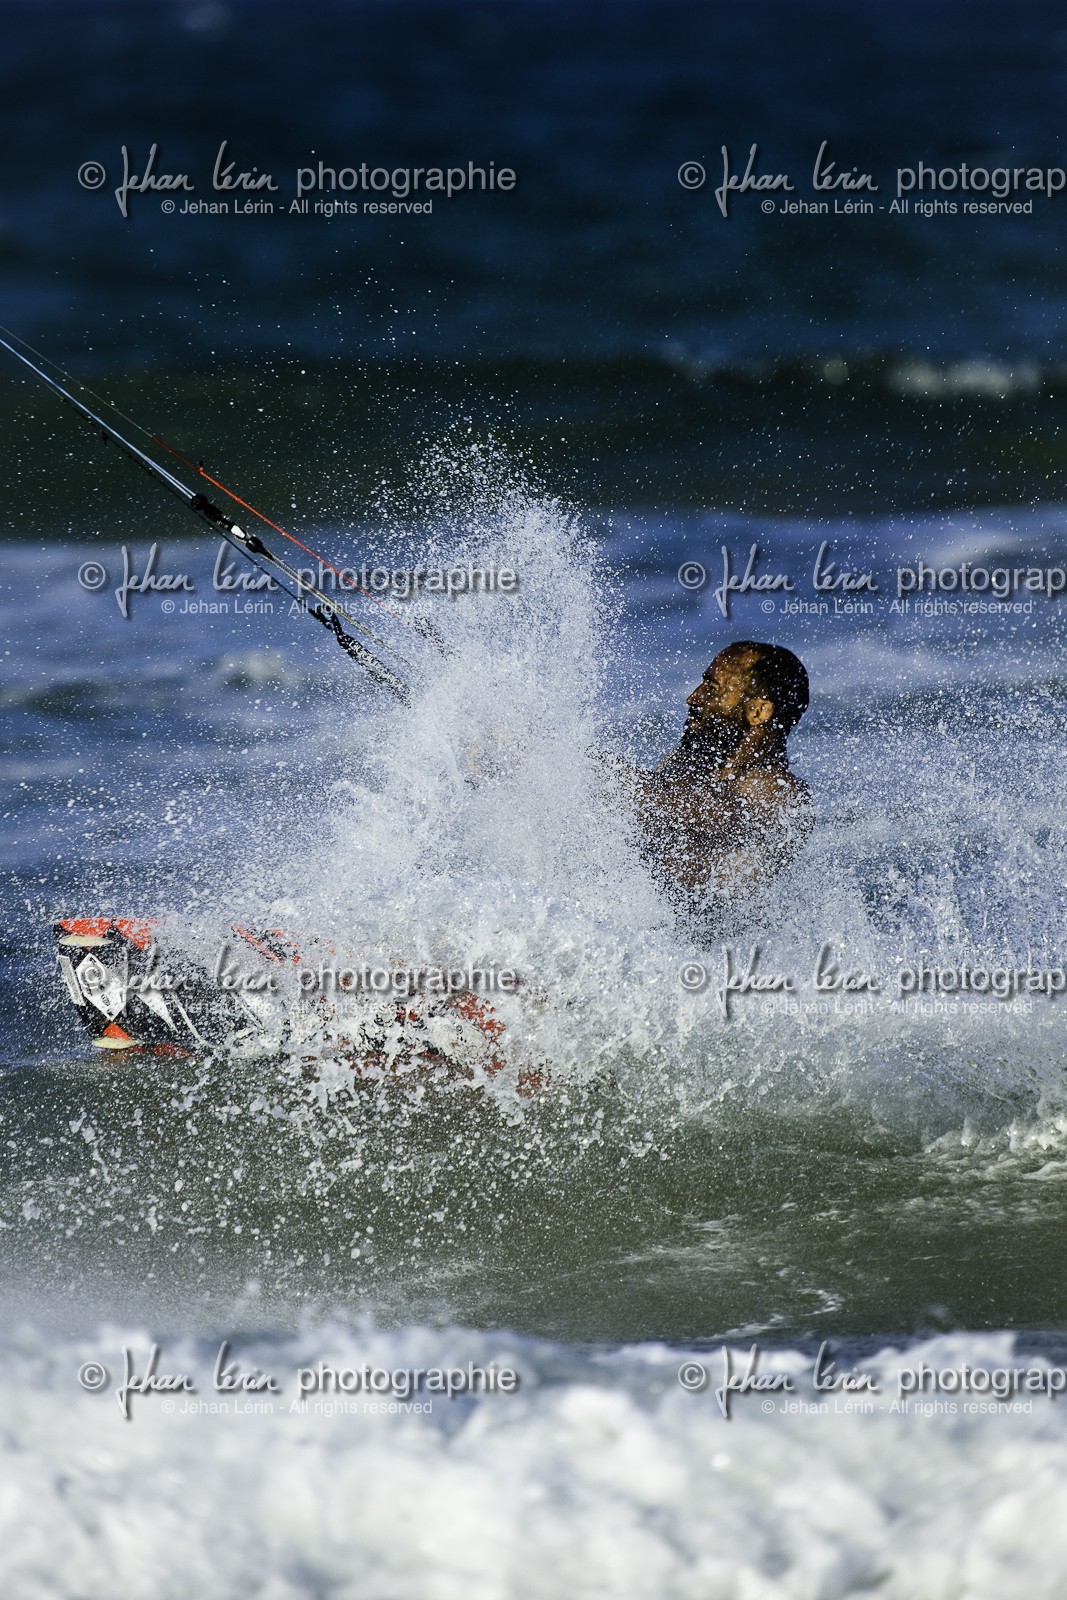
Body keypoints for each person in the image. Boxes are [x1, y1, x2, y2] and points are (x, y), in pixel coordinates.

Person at [623, 641, 812, 900]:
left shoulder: (785, 797)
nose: (694, 697)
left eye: (711, 688)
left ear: (758, 711)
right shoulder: (685, 762)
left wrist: (580, 773)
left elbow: (722, 815)